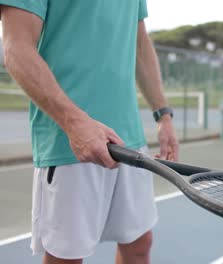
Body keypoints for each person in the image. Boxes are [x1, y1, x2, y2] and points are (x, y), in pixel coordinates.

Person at [0, 1, 179, 263]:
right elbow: (16, 48)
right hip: (69, 141)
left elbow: (140, 43)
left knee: (140, 245)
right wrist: (75, 123)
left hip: (130, 138)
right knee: (67, 257)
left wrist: (163, 115)